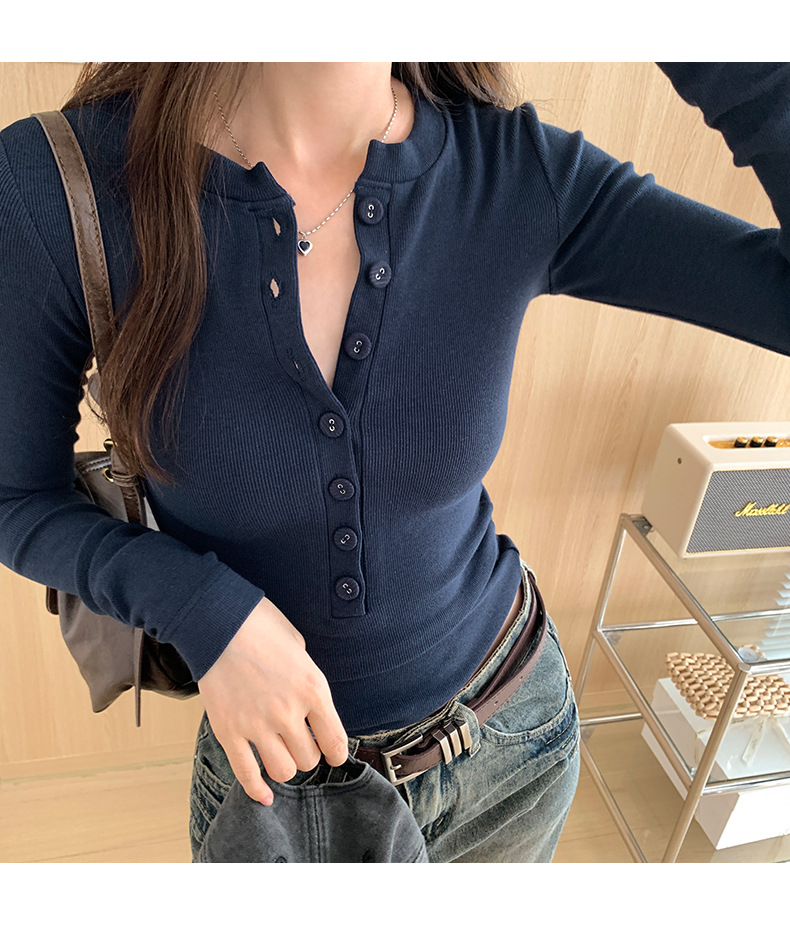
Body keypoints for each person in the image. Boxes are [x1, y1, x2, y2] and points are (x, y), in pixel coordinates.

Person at [0, 62, 788, 863]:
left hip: (514, 743)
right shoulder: (57, 185)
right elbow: (15, 496)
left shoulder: (513, 173)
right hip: (280, 784)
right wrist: (200, 607)